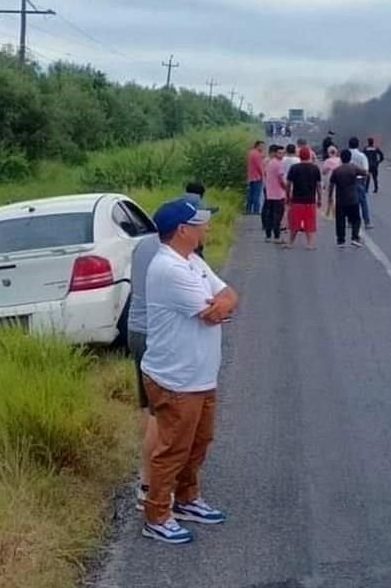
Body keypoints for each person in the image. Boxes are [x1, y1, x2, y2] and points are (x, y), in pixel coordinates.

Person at [140, 198, 239, 545]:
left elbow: (228, 294)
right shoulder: (169, 268)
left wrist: (223, 303)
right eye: (200, 224)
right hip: (176, 378)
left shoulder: (192, 261)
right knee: (172, 450)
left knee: (198, 442)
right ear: (183, 230)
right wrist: (221, 306)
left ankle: (186, 499)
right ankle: (156, 515)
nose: (206, 228)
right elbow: (212, 313)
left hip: (199, 374)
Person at [127, 233, 161, 511]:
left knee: (148, 408)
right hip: (155, 334)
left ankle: (148, 477)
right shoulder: (167, 256)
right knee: (159, 411)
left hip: (137, 330)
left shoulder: (142, 245)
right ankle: (149, 483)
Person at [327, 149, 368, 248]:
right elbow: (365, 173)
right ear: (350, 158)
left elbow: (331, 185)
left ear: (341, 158)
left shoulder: (337, 170)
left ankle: (341, 240)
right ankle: (354, 237)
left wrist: (330, 197)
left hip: (340, 199)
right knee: (356, 219)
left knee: (340, 220)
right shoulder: (353, 168)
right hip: (353, 199)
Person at [285, 147, 322, 250]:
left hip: (297, 199)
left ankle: (290, 243)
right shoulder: (315, 168)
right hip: (310, 200)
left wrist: (287, 196)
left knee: (294, 223)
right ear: (309, 156)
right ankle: (309, 244)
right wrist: (319, 198)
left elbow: (288, 184)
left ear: (299, 156)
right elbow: (318, 185)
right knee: (309, 222)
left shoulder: (294, 168)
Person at [261, 145, 287, 243]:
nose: (282, 155)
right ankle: (277, 236)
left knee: (270, 215)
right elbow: (281, 179)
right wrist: (286, 189)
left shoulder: (270, 163)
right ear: (275, 153)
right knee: (278, 216)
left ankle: (268, 236)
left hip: (270, 193)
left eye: (283, 153)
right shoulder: (278, 164)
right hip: (278, 194)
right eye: (280, 153)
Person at [347, 137, 371, 229]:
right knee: (363, 202)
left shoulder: (346, 154)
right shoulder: (362, 156)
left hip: (348, 180)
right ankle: (367, 222)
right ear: (358, 145)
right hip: (360, 180)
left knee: (350, 201)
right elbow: (366, 170)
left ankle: (350, 221)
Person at [245, 140, 266, 215]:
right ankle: (256, 210)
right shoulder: (257, 154)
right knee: (256, 195)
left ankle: (248, 209)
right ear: (257, 146)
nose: (263, 148)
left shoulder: (250, 152)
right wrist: (263, 176)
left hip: (250, 176)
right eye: (262, 146)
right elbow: (259, 167)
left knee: (250, 194)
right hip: (257, 177)